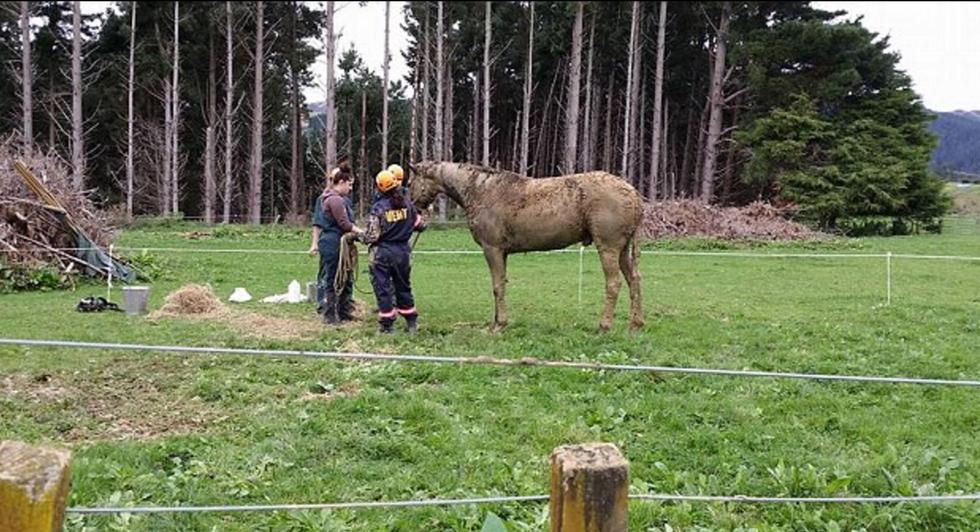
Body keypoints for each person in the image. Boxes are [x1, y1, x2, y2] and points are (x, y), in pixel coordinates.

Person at [360, 169, 426, 334]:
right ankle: (411, 322)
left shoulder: (379, 208)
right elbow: (420, 224)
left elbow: (371, 235)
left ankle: (387, 325)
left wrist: (356, 236)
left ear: (379, 188)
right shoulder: (408, 205)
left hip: (382, 253)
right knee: (403, 286)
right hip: (403, 252)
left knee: (384, 289)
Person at [309, 162, 362, 324]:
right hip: (333, 242)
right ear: (341, 182)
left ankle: (343, 311)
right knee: (332, 278)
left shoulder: (340, 199)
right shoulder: (334, 200)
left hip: (341, 241)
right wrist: (362, 233)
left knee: (345, 276)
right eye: (349, 185)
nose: (350, 188)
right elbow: (345, 224)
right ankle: (329, 314)